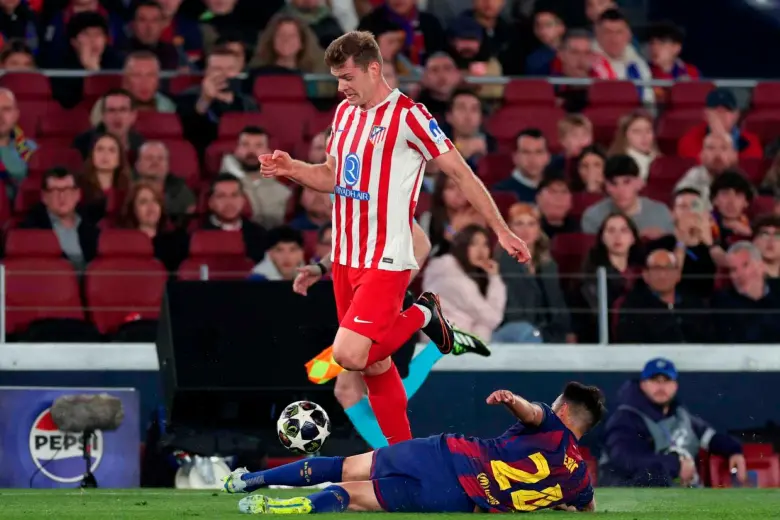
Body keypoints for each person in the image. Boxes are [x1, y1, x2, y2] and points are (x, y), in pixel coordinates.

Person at [259, 30, 530, 447]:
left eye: (347, 76)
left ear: (373, 68)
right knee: (375, 365)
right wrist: (292, 168)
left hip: (387, 257)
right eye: (336, 78)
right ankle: (404, 457)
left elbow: (461, 173)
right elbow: (333, 177)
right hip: (347, 259)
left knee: (348, 355)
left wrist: (501, 229)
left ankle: (423, 315)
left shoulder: (410, 116)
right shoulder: (345, 114)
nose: (341, 87)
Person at [223, 382, 604, 515]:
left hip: (443, 455)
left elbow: (532, 412)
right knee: (352, 496)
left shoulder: (550, 423)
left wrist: (511, 400)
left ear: (564, 410)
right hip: (456, 500)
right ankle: (302, 506)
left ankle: (249, 480)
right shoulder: (578, 480)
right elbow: (586, 507)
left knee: (344, 467)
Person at [294, 219, 490, 450]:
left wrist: (388, 293)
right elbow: (342, 245)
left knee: (360, 378)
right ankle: (397, 458)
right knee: (345, 387)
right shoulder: (343, 197)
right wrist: (322, 267)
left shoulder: (380, 194)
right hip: (356, 309)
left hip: (382, 309)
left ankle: (398, 458)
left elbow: (421, 244)